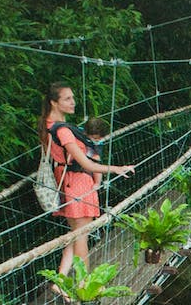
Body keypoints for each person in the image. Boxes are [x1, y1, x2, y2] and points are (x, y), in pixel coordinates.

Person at [38, 83, 133, 291]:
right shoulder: (62, 131)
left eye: (73, 97)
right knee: (82, 236)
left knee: (76, 234)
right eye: (67, 99)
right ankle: (84, 284)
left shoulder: (48, 125)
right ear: (54, 102)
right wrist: (117, 169)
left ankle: (60, 282)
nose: (73, 102)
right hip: (79, 184)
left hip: (68, 183)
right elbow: (87, 163)